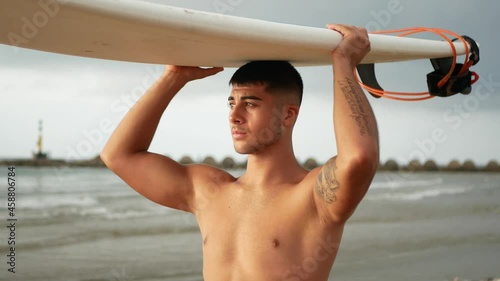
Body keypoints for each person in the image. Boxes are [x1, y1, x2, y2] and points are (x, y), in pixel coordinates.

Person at [101, 24, 379, 281]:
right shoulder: (208, 192)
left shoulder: (314, 197)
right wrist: (174, 77)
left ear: (288, 115)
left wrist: (343, 63)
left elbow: (358, 156)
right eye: (231, 103)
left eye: (250, 104)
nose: (234, 115)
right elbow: (119, 156)